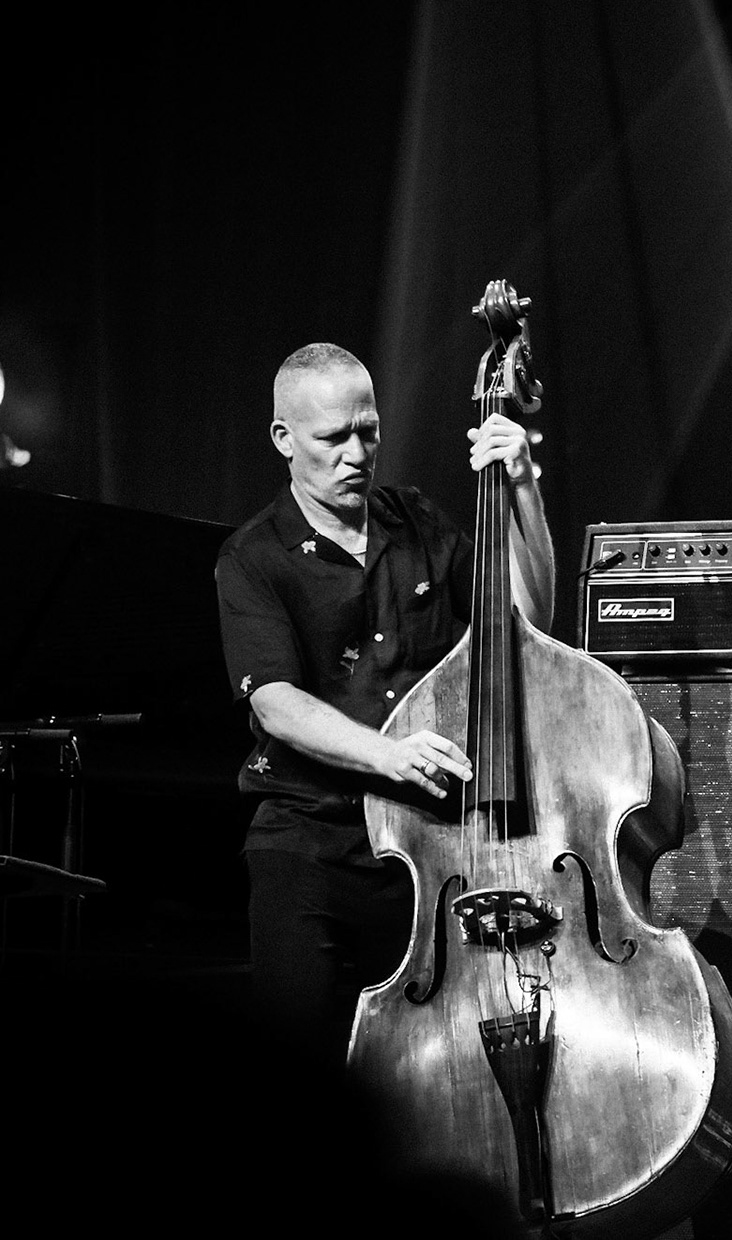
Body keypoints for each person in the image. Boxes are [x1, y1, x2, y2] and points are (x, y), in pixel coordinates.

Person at [215, 341, 557, 1060]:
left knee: (431, 1061)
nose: (357, 453)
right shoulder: (254, 556)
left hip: (426, 845)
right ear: (284, 438)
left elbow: (529, 623)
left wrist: (523, 487)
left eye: (368, 431)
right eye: (333, 438)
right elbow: (274, 702)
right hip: (311, 841)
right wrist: (389, 756)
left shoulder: (419, 521)